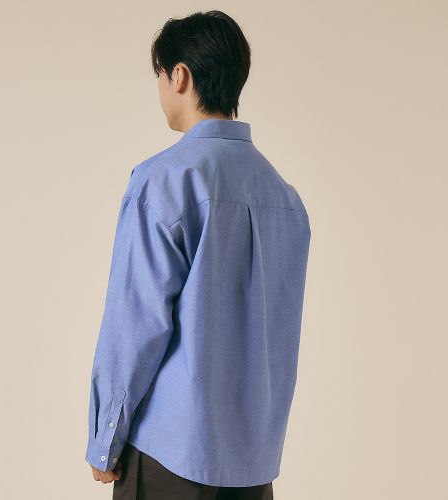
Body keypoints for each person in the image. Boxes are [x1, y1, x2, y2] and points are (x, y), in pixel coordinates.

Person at [86, 10, 311, 500]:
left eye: (160, 75)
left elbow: (135, 322)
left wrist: (105, 437)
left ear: (180, 76)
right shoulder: (286, 199)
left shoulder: (163, 181)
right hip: (253, 469)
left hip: (170, 460)